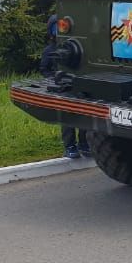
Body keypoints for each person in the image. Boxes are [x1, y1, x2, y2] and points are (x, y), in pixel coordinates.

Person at [41, 15, 89, 159]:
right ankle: (70, 146)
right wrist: (52, 78)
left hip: (78, 84)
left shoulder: (77, 46)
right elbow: (44, 69)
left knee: (84, 116)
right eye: (56, 29)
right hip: (62, 87)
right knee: (67, 118)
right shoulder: (50, 50)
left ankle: (84, 144)